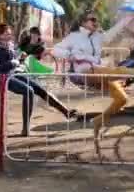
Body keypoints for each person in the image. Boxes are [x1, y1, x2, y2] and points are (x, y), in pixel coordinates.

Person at [0, 24, 78, 136]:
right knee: (29, 91)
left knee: (39, 89)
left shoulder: (10, 45)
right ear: (0, 35)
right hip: (1, 77)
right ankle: (25, 128)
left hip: (13, 74)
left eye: (10, 34)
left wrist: (19, 58)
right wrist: (12, 63)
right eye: (7, 34)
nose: (10, 36)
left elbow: (15, 60)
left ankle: (66, 111)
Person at [52, 10, 128, 138]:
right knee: (122, 72)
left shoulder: (98, 36)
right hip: (83, 73)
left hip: (99, 72)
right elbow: (55, 50)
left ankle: (98, 121)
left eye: (96, 19)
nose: (95, 22)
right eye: (92, 19)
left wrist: (128, 17)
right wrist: (70, 55)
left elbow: (113, 32)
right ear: (83, 22)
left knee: (122, 99)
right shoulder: (74, 37)